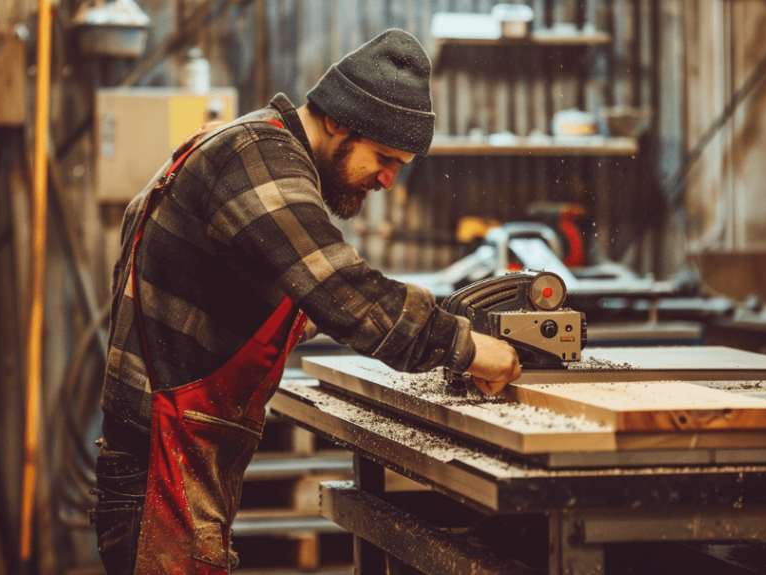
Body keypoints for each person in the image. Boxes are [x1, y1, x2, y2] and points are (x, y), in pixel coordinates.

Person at [90, 29, 521, 574]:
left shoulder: (251, 150)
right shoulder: (256, 157)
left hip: (178, 461)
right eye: (383, 157)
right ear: (337, 120)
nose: (388, 179)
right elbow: (343, 292)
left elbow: (305, 300)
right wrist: (467, 346)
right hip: (159, 468)